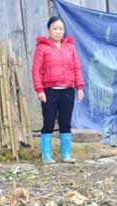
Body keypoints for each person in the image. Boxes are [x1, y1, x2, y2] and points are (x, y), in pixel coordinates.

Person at [32, 16, 84, 163]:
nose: (58, 31)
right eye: (55, 28)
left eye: (61, 29)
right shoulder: (42, 48)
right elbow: (36, 71)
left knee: (65, 123)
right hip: (49, 91)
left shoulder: (70, 47)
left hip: (67, 90)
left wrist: (79, 87)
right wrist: (40, 90)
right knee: (48, 122)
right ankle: (46, 155)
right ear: (49, 30)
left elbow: (77, 68)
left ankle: (66, 155)